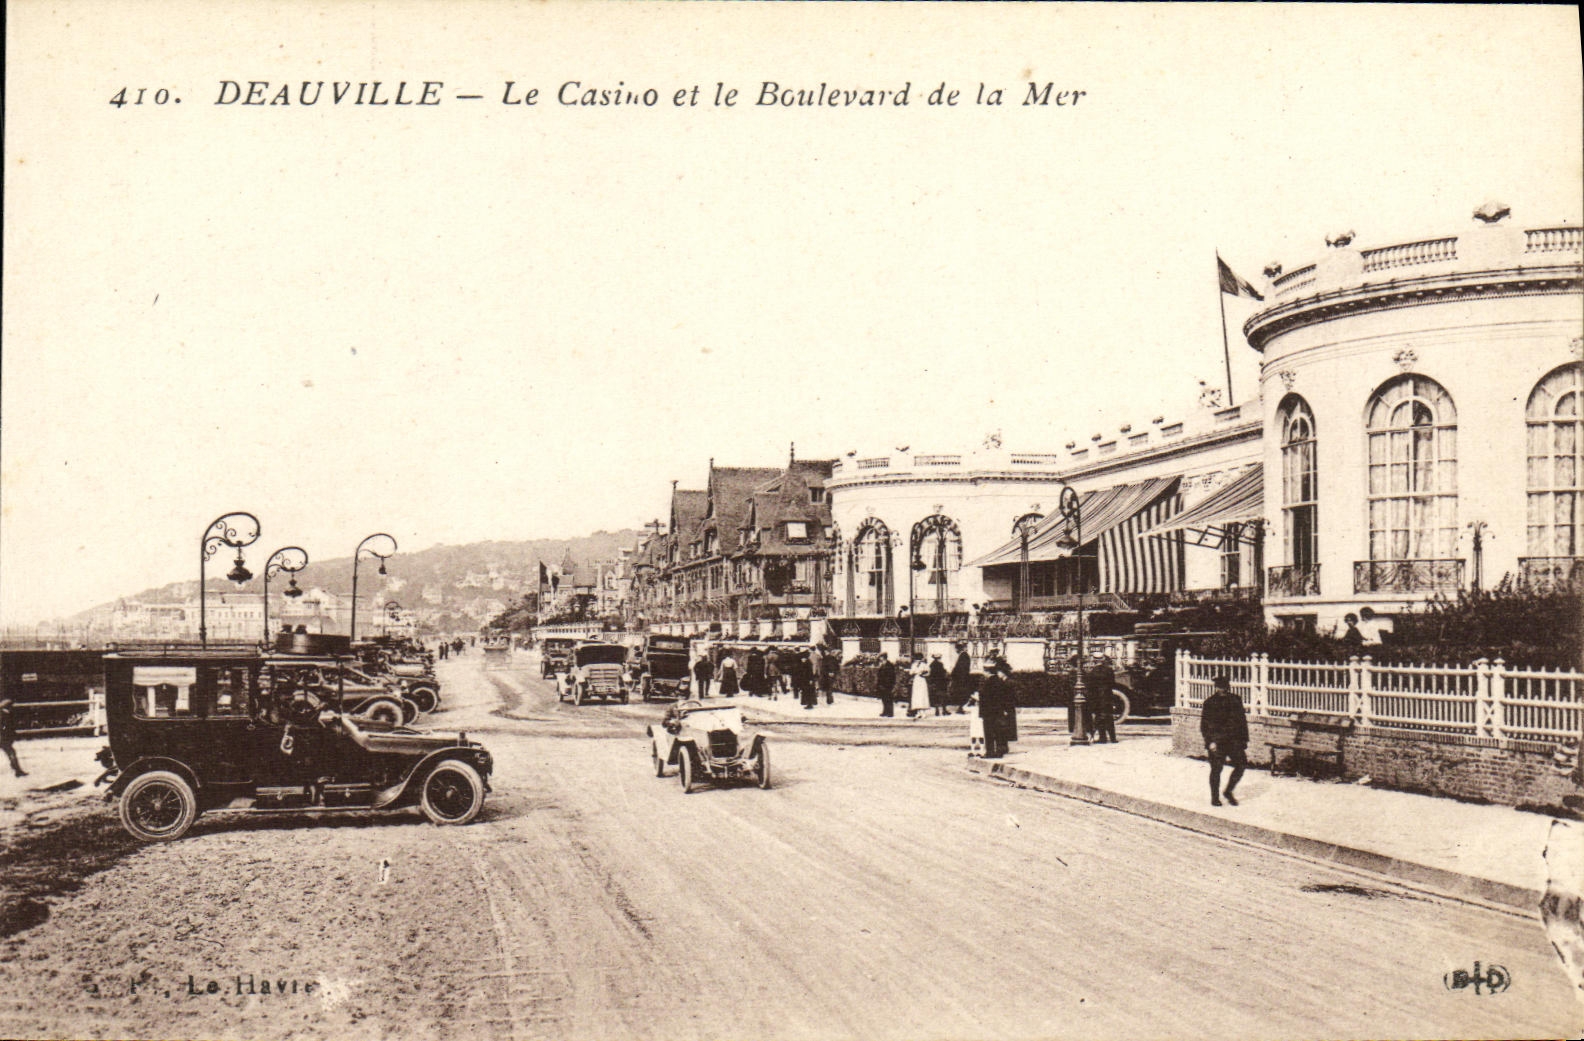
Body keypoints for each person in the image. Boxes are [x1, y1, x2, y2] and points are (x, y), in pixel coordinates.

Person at [1200, 675, 1249, 807]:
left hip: (1234, 741)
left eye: (1225, 686)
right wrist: (1210, 742)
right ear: (1216, 687)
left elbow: (1242, 721)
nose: (1223, 689)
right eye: (1220, 687)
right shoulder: (1210, 703)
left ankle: (1228, 791)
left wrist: (1244, 739)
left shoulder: (1236, 700)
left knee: (1241, 765)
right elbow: (1204, 725)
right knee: (1216, 769)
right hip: (1217, 742)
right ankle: (1215, 797)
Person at [978, 658, 1017, 758]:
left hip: (989, 712)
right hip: (997, 711)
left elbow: (986, 697)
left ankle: (990, 752)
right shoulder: (999, 681)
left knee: (989, 733)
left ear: (987, 671)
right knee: (998, 731)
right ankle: (999, 750)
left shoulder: (989, 682)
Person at [1086, 651, 1117, 744]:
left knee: (1099, 717)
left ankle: (1102, 738)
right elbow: (1113, 684)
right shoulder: (1109, 670)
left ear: (1094, 661)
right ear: (1103, 660)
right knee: (1109, 717)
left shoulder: (1091, 672)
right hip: (1107, 696)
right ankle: (1113, 738)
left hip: (1097, 698)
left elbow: (1090, 687)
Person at [1, 698, 26, 778]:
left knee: (11, 752)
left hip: (3, 737)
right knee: (11, 753)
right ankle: (17, 770)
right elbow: (7, 728)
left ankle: (17, 770)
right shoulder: (6, 715)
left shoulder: (4, 714)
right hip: (3, 738)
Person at [948, 642, 974, 715]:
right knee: (961, 693)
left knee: (961, 693)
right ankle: (960, 707)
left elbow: (960, 668)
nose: (956, 651)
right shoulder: (963, 655)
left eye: (956, 649)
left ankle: (961, 708)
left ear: (958, 649)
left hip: (961, 679)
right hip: (962, 678)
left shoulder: (963, 656)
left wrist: (953, 674)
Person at [876, 653, 897, 718]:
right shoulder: (882, 664)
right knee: (884, 698)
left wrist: (889, 684)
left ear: (884, 657)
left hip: (888, 684)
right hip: (882, 684)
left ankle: (890, 712)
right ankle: (885, 711)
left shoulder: (889, 665)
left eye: (881, 657)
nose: (880, 658)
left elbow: (891, 676)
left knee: (888, 698)